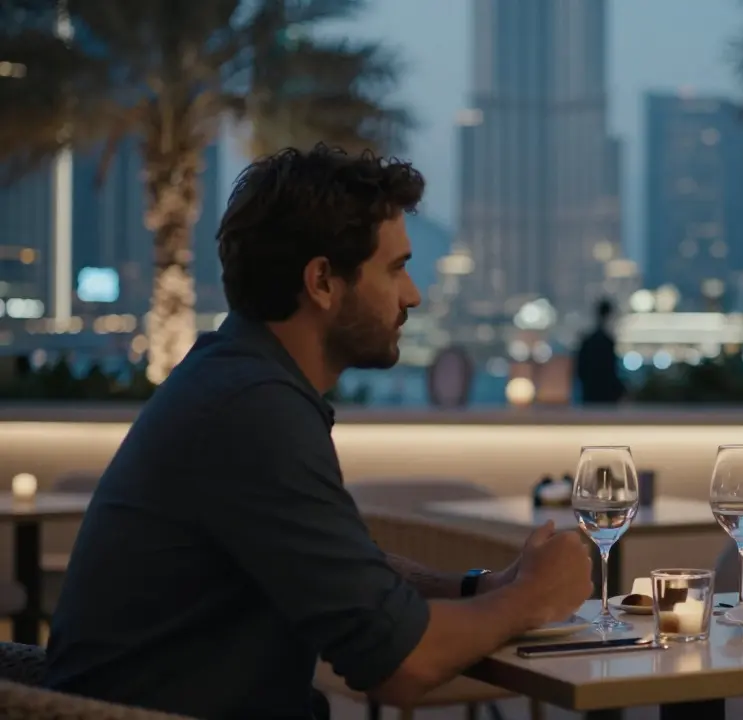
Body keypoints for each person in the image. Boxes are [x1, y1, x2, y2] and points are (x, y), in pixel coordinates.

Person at [44, 145, 595, 718]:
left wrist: (481, 588)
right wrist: (531, 599)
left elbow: (343, 570)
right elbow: (399, 665)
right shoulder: (252, 411)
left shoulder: (237, 380)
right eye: (396, 268)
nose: (413, 295)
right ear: (323, 281)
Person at [574, 298, 626, 405]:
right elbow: (611, 370)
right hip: (605, 396)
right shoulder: (607, 342)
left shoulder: (588, 341)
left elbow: (580, 370)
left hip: (590, 394)